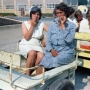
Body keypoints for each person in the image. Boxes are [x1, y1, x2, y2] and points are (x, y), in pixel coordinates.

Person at [37, 3, 76, 74]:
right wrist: (51, 50)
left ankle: (52, 82)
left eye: (61, 12)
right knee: (43, 62)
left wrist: (63, 26)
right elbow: (48, 41)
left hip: (66, 52)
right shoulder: (52, 26)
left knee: (55, 61)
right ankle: (37, 83)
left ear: (66, 13)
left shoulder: (72, 26)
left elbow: (69, 40)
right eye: (57, 13)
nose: (59, 15)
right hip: (53, 51)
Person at [19, 6, 48, 76]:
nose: (36, 16)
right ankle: (27, 76)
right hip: (26, 44)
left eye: (38, 14)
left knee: (41, 56)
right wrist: (32, 26)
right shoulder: (24, 23)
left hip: (37, 45)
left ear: (40, 16)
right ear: (31, 15)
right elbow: (27, 38)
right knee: (32, 53)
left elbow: (51, 32)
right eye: (34, 14)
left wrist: (46, 38)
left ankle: (29, 73)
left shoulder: (41, 24)